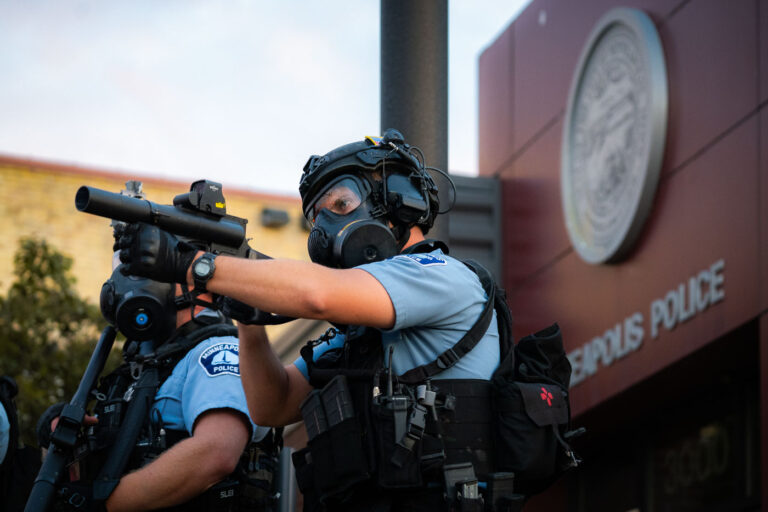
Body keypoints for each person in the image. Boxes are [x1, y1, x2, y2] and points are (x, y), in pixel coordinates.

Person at [118, 129, 504, 511]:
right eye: (316, 218)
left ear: (400, 200)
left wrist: (196, 265)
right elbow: (274, 405)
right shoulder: (363, 331)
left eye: (341, 204)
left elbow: (317, 295)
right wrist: (248, 321)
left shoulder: (440, 274)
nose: (324, 230)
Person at [40, 267, 276, 512]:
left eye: (141, 268)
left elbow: (216, 454)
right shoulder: (150, 365)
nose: (125, 280)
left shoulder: (218, 349)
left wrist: (101, 504)